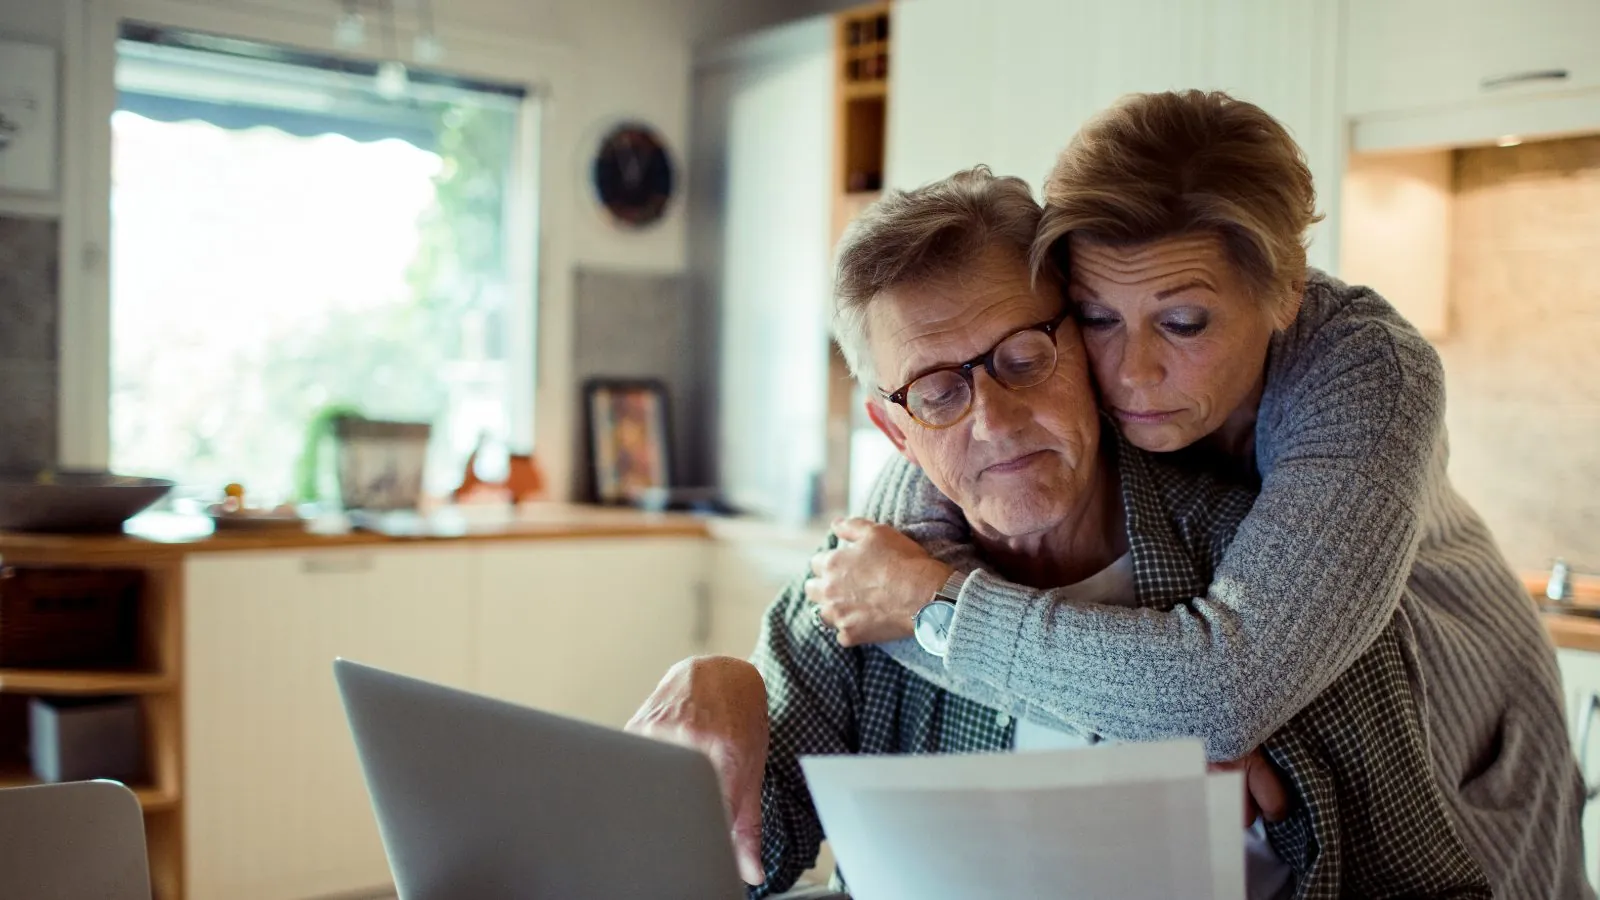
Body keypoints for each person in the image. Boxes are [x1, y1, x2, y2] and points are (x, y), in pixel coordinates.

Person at [804, 91, 1588, 898]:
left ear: (1284, 292)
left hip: (1460, 689)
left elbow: (1221, 695)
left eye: (1183, 323)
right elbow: (948, 449)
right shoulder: (1049, 379)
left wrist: (932, 610)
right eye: (1098, 318)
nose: (1133, 373)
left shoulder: (1366, 371)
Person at [629, 167, 1488, 899]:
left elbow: (1431, 884)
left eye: (1022, 356)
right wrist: (714, 689)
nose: (996, 422)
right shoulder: (856, 591)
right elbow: (750, 854)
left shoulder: (1279, 593)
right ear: (896, 431)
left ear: (1085, 344)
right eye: (937, 391)